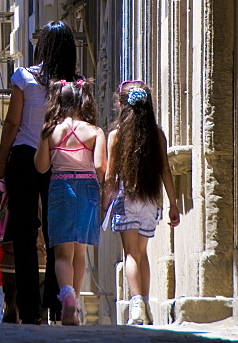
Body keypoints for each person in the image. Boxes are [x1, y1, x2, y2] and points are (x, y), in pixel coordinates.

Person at [0, 20, 80, 323]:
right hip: (61, 159)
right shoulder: (74, 85)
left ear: (41, 45)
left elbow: (12, 123)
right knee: (57, 233)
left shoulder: (24, 78)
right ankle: (56, 302)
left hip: (24, 157)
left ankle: (29, 310)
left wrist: (1, 163)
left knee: (24, 234)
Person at [103, 80, 180, 327]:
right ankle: (144, 302)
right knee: (142, 252)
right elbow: (165, 170)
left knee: (130, 253)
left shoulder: (116, 135)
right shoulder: (157, 134)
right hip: (150, 198)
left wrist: (105, 201)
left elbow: (109, 175)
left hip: (127, 198)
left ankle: (136, 305)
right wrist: (173, 204)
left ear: (121, 104)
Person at [34, 77, 106, 326]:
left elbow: (41, 167)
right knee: (80, 251)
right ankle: (74, 306)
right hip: (87, 188)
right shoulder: (95, 131)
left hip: (60, 187)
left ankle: (66, 297)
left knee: (62, 254)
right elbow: (100, 166)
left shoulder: (49, 130)